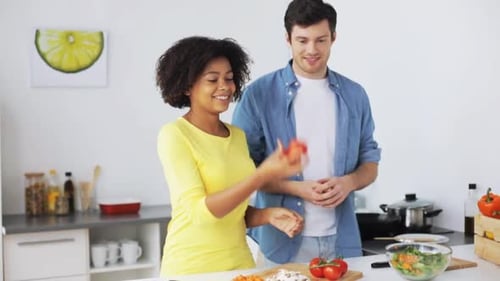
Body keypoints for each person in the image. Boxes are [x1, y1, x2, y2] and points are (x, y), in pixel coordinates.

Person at [232, 0, 381, 264]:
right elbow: (243, 171)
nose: (311, 50)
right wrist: (297, 189)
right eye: (302, 40)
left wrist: (349, 182)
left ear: (333, 38)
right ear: (287, 38)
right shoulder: (259, 95)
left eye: (320, 40)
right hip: (281, 241)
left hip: (342, 240)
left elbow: (370, 163)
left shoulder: (355, 95)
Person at [155, 36, 305, 276]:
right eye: (212, 79)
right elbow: (202, 214)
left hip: (240, 266)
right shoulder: (175, 135)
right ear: (186, 86)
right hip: (192, 269)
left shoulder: (236, 135)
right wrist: (262, 175)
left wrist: (267, 215)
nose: (224, 86)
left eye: (229, 78)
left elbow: (232, 213)